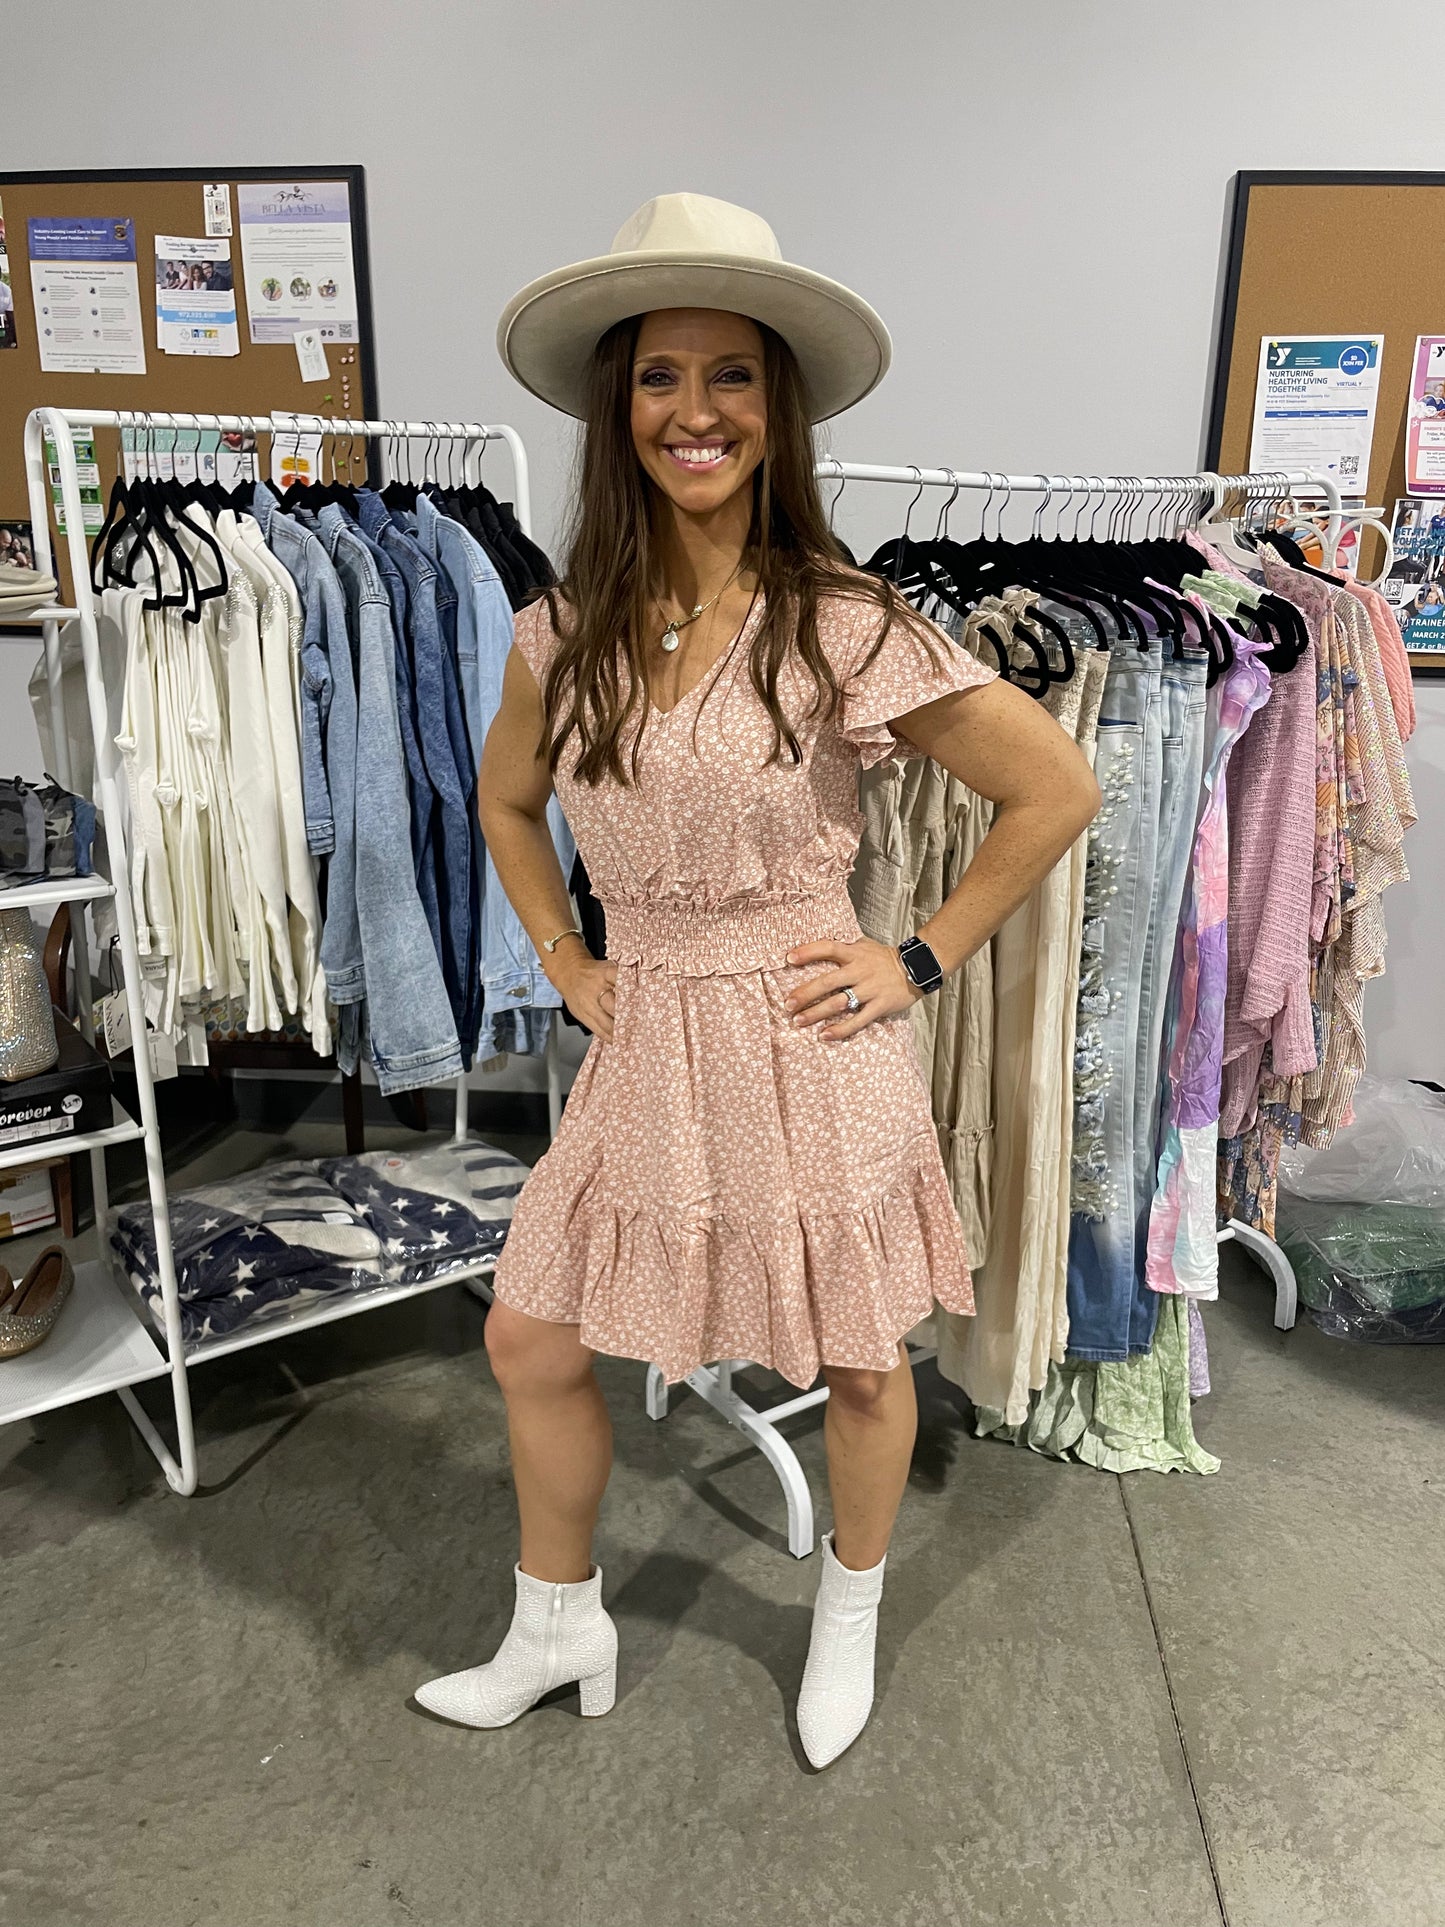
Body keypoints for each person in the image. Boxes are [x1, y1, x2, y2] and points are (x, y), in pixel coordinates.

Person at [415, 195, 1100, 1766]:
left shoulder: (839, 621)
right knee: (531, 1333)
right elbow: (505, 802)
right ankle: (555, 1622)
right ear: (620, 406)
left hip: (806, 1030)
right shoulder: (564, 625)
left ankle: (842, 1623)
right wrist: (566, 954)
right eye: (661, 377)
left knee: (860, 1358)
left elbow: (1056, 783)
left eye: (730, 376)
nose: (694, 410)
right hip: (644, 1029)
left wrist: (917, 952)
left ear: (774, 410)